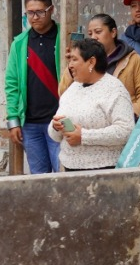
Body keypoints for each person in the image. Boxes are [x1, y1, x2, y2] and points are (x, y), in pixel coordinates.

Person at [49, 36, 135, 170]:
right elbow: (55, 136)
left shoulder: (114, 89)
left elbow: (125, 131)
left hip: (103, 171)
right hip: (69, 169)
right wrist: (55, 127)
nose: (70, 65)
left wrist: (84, 136)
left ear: (91, 62)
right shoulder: (73, 88)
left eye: (75, 59)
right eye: (70, 59)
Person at [3, 0, 64, 174]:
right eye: (30, 13)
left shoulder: (66, 37)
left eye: (40, 12)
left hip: (59, 121)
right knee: (38, 179)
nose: (35, 17)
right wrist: (13, 121)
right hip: (30, 124)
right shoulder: (20, 43)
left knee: (64, 176)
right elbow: (11, 84)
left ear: (51, 10)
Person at [85, 11, 140, 116]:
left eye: (98, 32)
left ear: (113, 32)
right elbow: (66, 92)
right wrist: (74, 63)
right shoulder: (87, 62)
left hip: (126, 125)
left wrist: (126, 115)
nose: (93, 37)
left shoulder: (134, 60)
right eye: (90, 34)